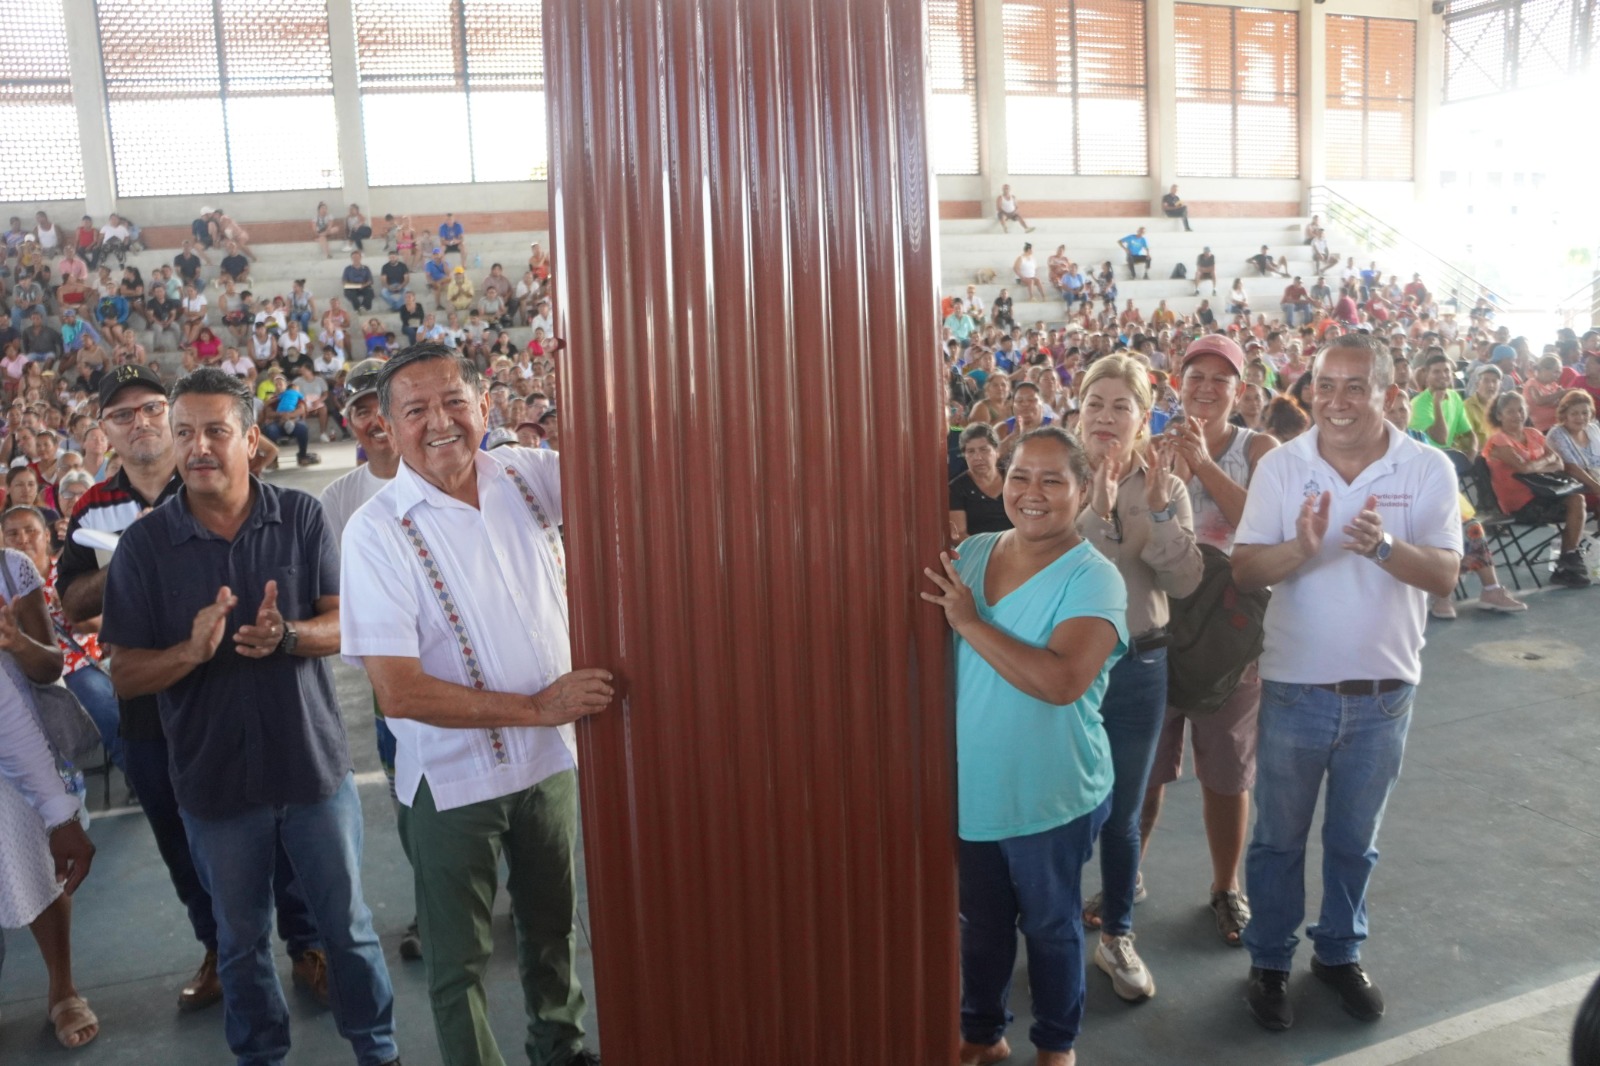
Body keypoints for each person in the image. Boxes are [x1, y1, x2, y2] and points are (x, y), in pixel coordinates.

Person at [101, 367, 399, 1066]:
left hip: (312, 771)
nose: (198, 446)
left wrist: (287, 637)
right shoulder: (145, 549)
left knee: (348, 929)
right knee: (239, 943)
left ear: (251, 437)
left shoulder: (300, 517)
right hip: (214, 783)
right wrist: (190, 651)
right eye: (184, 434)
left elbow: (348, 624)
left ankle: (378, 1051)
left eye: (215, 430)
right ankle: (261, 1055)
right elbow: (125, 671)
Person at [340, 344, 609, 1066]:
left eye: (454, 401)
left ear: (485, 407)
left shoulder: (525, 473)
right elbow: (396, 689)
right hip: (453, 779)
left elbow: (621, 468)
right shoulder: (375, 532)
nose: (440, 423)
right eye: (416, 409)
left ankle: (561, 1046)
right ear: (388, 428)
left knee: (552, 927)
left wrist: (591, 372)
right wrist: (538, 708)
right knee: (459, 962)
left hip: (548, 763)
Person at [1232, 333, 1462, 1031]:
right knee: (1277, 839)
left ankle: (1338, 951)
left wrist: (1383, 546)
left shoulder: (1427, 469)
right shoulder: (1282, 467)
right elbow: (1244, 570)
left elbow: (1448, 575)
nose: (1337, 401)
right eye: (1326, 385)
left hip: (1384, 694)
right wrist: (1299, 549)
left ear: (1388, 393)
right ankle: (1269, 961)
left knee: (1354, 841)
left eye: (1355, 386)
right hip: (1296, 688)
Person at [921, 425, 1126, 1066]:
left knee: (1050, 927)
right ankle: (984, 1033)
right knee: (980, 927)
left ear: (1083, 489)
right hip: (976, 787)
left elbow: (1062, 681)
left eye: (1051, 479)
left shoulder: (1096, 579)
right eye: (1019, 476)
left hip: (1051, 791)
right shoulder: (974, 554)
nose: (1031, 493)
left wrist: (970, 622)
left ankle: (1056, 1045)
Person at [1139, 335, 1276, 950]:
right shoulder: (1152, 450)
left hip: (1229, 640)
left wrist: (1205, 466)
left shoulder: (1262, 450)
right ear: (1178, 381)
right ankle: (1125, 876)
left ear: (1239, 391)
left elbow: (1267, 530)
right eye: (1198, 376)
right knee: (1144, 768)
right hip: (1159, 628)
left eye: (1222, 379)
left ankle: (1227, 886)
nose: (1208, 387)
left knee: (1226, 772)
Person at [1073, 356, 1201, 1004]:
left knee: (1122, 813)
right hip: (1068, 667)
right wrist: (1095, 513)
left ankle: (1117, 933)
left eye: (1121, 405)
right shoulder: (1053, 476)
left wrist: (1151, 515)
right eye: (1096, 401)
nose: (1105, 415)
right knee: (1063, 807)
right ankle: (1055, 931)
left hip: (1140, 667)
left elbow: (1184, 581)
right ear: (1078, 407)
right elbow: (1059, 571)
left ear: (1143, 417)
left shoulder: (1165, 486)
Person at [316, 358, 423, 961]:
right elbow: (337, 594)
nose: (373, 419)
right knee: (411, 792)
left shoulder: (443, 471)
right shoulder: (340, 500)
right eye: (360, 409)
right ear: (349, 422)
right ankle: (436, 906)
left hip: (466, 658)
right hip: (392, 676)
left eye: (381, 404)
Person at [0, 555, 100, 1050]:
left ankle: (62, 986)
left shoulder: (9, 570)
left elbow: (14, 696)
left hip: (13, 754)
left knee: (32, 863)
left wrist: (60, 814)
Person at [1483, 392, 1592, 588]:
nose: (1517, 414)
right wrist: (1544, 461)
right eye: (1511, 411)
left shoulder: (1533, 434)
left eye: (1521, 409)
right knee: (1574, 505)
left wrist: (1535, 464)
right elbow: (1523, 469)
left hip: (1545, 495)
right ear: (1499, 415)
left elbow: (1558, 463)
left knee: (1577, 499)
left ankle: (1567, 560)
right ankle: (1567, 565)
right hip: (1520, 504)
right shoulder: (1498, 441)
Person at [949, 423, 1010, 544]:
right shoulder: (956, 488)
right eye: (971, 451)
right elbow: (958, 535)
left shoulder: (1013, 478)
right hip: (978, 552)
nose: (978, 457)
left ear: (997, 452)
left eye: (984, 450)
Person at [1409, 351, 1476, 452]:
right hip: (1425, 458)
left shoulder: (1454, 396)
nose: (1443, 375)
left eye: (1446, 371)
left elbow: (1468, 433)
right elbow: (1441, 439)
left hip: (1447, 456)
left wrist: (1471, 454)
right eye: (1436, 372)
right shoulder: (1418, 403)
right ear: (1427, 375)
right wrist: (1437, 404)